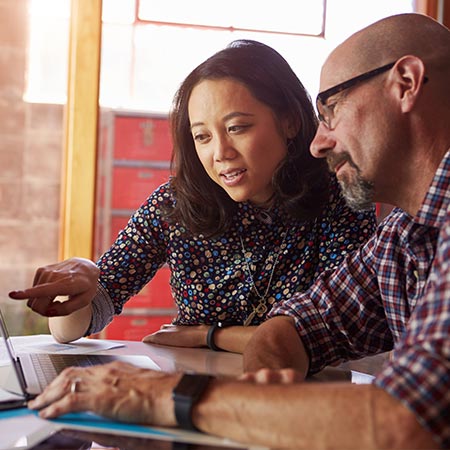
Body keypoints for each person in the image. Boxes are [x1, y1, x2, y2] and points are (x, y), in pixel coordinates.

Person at [24, 13, 449, 450]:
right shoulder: (404, 234)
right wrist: (257, 410)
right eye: (202, 137)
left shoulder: (344, 200)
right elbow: (300, 327)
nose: (320, 142)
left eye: (333, 110)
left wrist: (176, 385)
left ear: (406, 82)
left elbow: (407, 415)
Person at [9, 40, 375, 352]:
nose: (220, 152)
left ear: (290, 121)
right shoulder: (175, 204)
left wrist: (210, 336)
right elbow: (74, 328)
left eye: (237, 128)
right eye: (203, 136)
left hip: (303, 403)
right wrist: (84, 282)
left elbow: (338, 332)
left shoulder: (339, 199)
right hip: (194, 400)